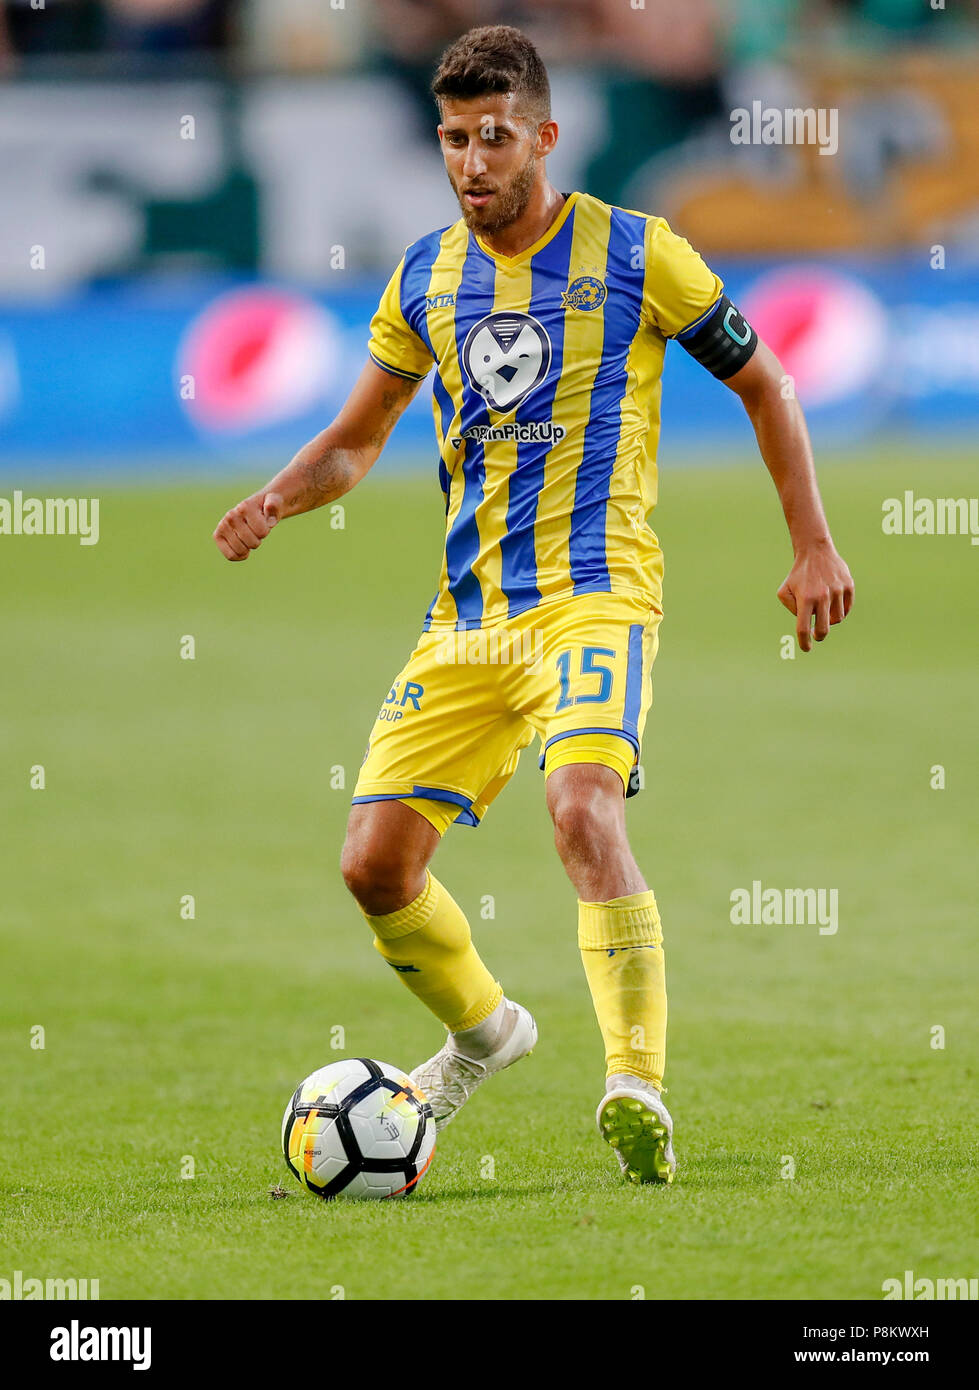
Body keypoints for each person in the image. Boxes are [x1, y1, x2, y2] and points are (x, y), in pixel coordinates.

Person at [213, 24, 854, 1185]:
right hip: (468, 621)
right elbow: (357, 447)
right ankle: (486, 1033)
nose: (470, 162)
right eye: (454, 139)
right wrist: (277, 497)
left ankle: (635, 1084)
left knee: (580, 807)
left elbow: (767, 382)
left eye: (493, 138)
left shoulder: (638, 252)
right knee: (373, 867)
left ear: (545, 137)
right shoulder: (425, 278)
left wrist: (811, 541)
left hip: (596, 597)